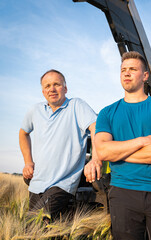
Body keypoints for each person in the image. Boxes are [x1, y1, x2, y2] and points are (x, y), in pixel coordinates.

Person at [85, 51, 151, 240]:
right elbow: (103, 151)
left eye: (132, 69)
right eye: (123, 70)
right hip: (122, 193)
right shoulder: (107, 113)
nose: (126, 73)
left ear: (145, 76)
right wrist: (141, 141)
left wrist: (117, 152)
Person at [19, 69, 101, 220]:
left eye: (56, 84)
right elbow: (23, 133)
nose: (52, 89)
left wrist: (95, 159)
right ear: (43, 91)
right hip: (37, 183)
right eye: (47, 85)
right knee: (40, 228)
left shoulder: (76, 106)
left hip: (63, 183)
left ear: (65, 88)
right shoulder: (35, 110)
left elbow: (96, 127)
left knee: (32, 226)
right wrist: (28, 162)